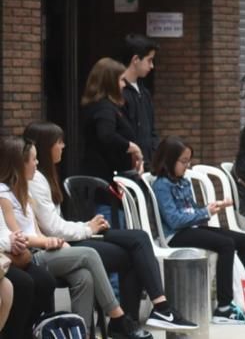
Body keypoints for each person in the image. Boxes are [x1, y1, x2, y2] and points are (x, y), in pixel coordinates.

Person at [24, 121, 197, 331]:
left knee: (139, 238)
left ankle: (151, 311)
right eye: (59, 142)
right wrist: (88, 227)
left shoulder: (45, 175)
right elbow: (53, 228)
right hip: (61, 243)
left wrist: (88, 225)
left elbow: (56, 223)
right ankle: (135, 318)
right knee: (133, 252)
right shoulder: (36, 180)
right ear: (45, 145)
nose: (63, 146)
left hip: (72, 235)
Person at [0, 137, 153, 339]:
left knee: (84, 277)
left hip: (44, 248)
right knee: (89, 254)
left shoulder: (25, 192)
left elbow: (36, 230)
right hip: (31, 255)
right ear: (20, 163)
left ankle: (81, 333)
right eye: (33, 159)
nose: (36, 164)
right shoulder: (5, 194)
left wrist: (52, 242)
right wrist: (50, 241)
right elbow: (18, 238)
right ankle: (117, 317)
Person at [150, 136, 245, 325]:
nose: (187, 165)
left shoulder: (184, 181)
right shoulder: (161, 185)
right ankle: (224, 307)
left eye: (188, 161)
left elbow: (191, 209)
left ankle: (240, 296)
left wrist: (210, 208)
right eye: (183, 161)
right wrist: (205, 212)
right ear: (168, 160)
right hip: (175, 235)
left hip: (192, 228)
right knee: (226, 244)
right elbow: (174, 220)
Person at [79, 58, 143, 210]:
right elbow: (106, 135)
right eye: (121, 80)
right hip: (106, 186)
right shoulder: (104, 108)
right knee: (114, 229)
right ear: (110, 82)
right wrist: (132, 147)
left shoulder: (106, 106)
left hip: (110, 184)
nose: (123, 84)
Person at [120, 34, 160, 165]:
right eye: (149, 60)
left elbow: (152, 130)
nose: (152, 66)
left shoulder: (145, 92)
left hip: (147, 163)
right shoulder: (119, 92)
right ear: (136, 59)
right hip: (129, 164)